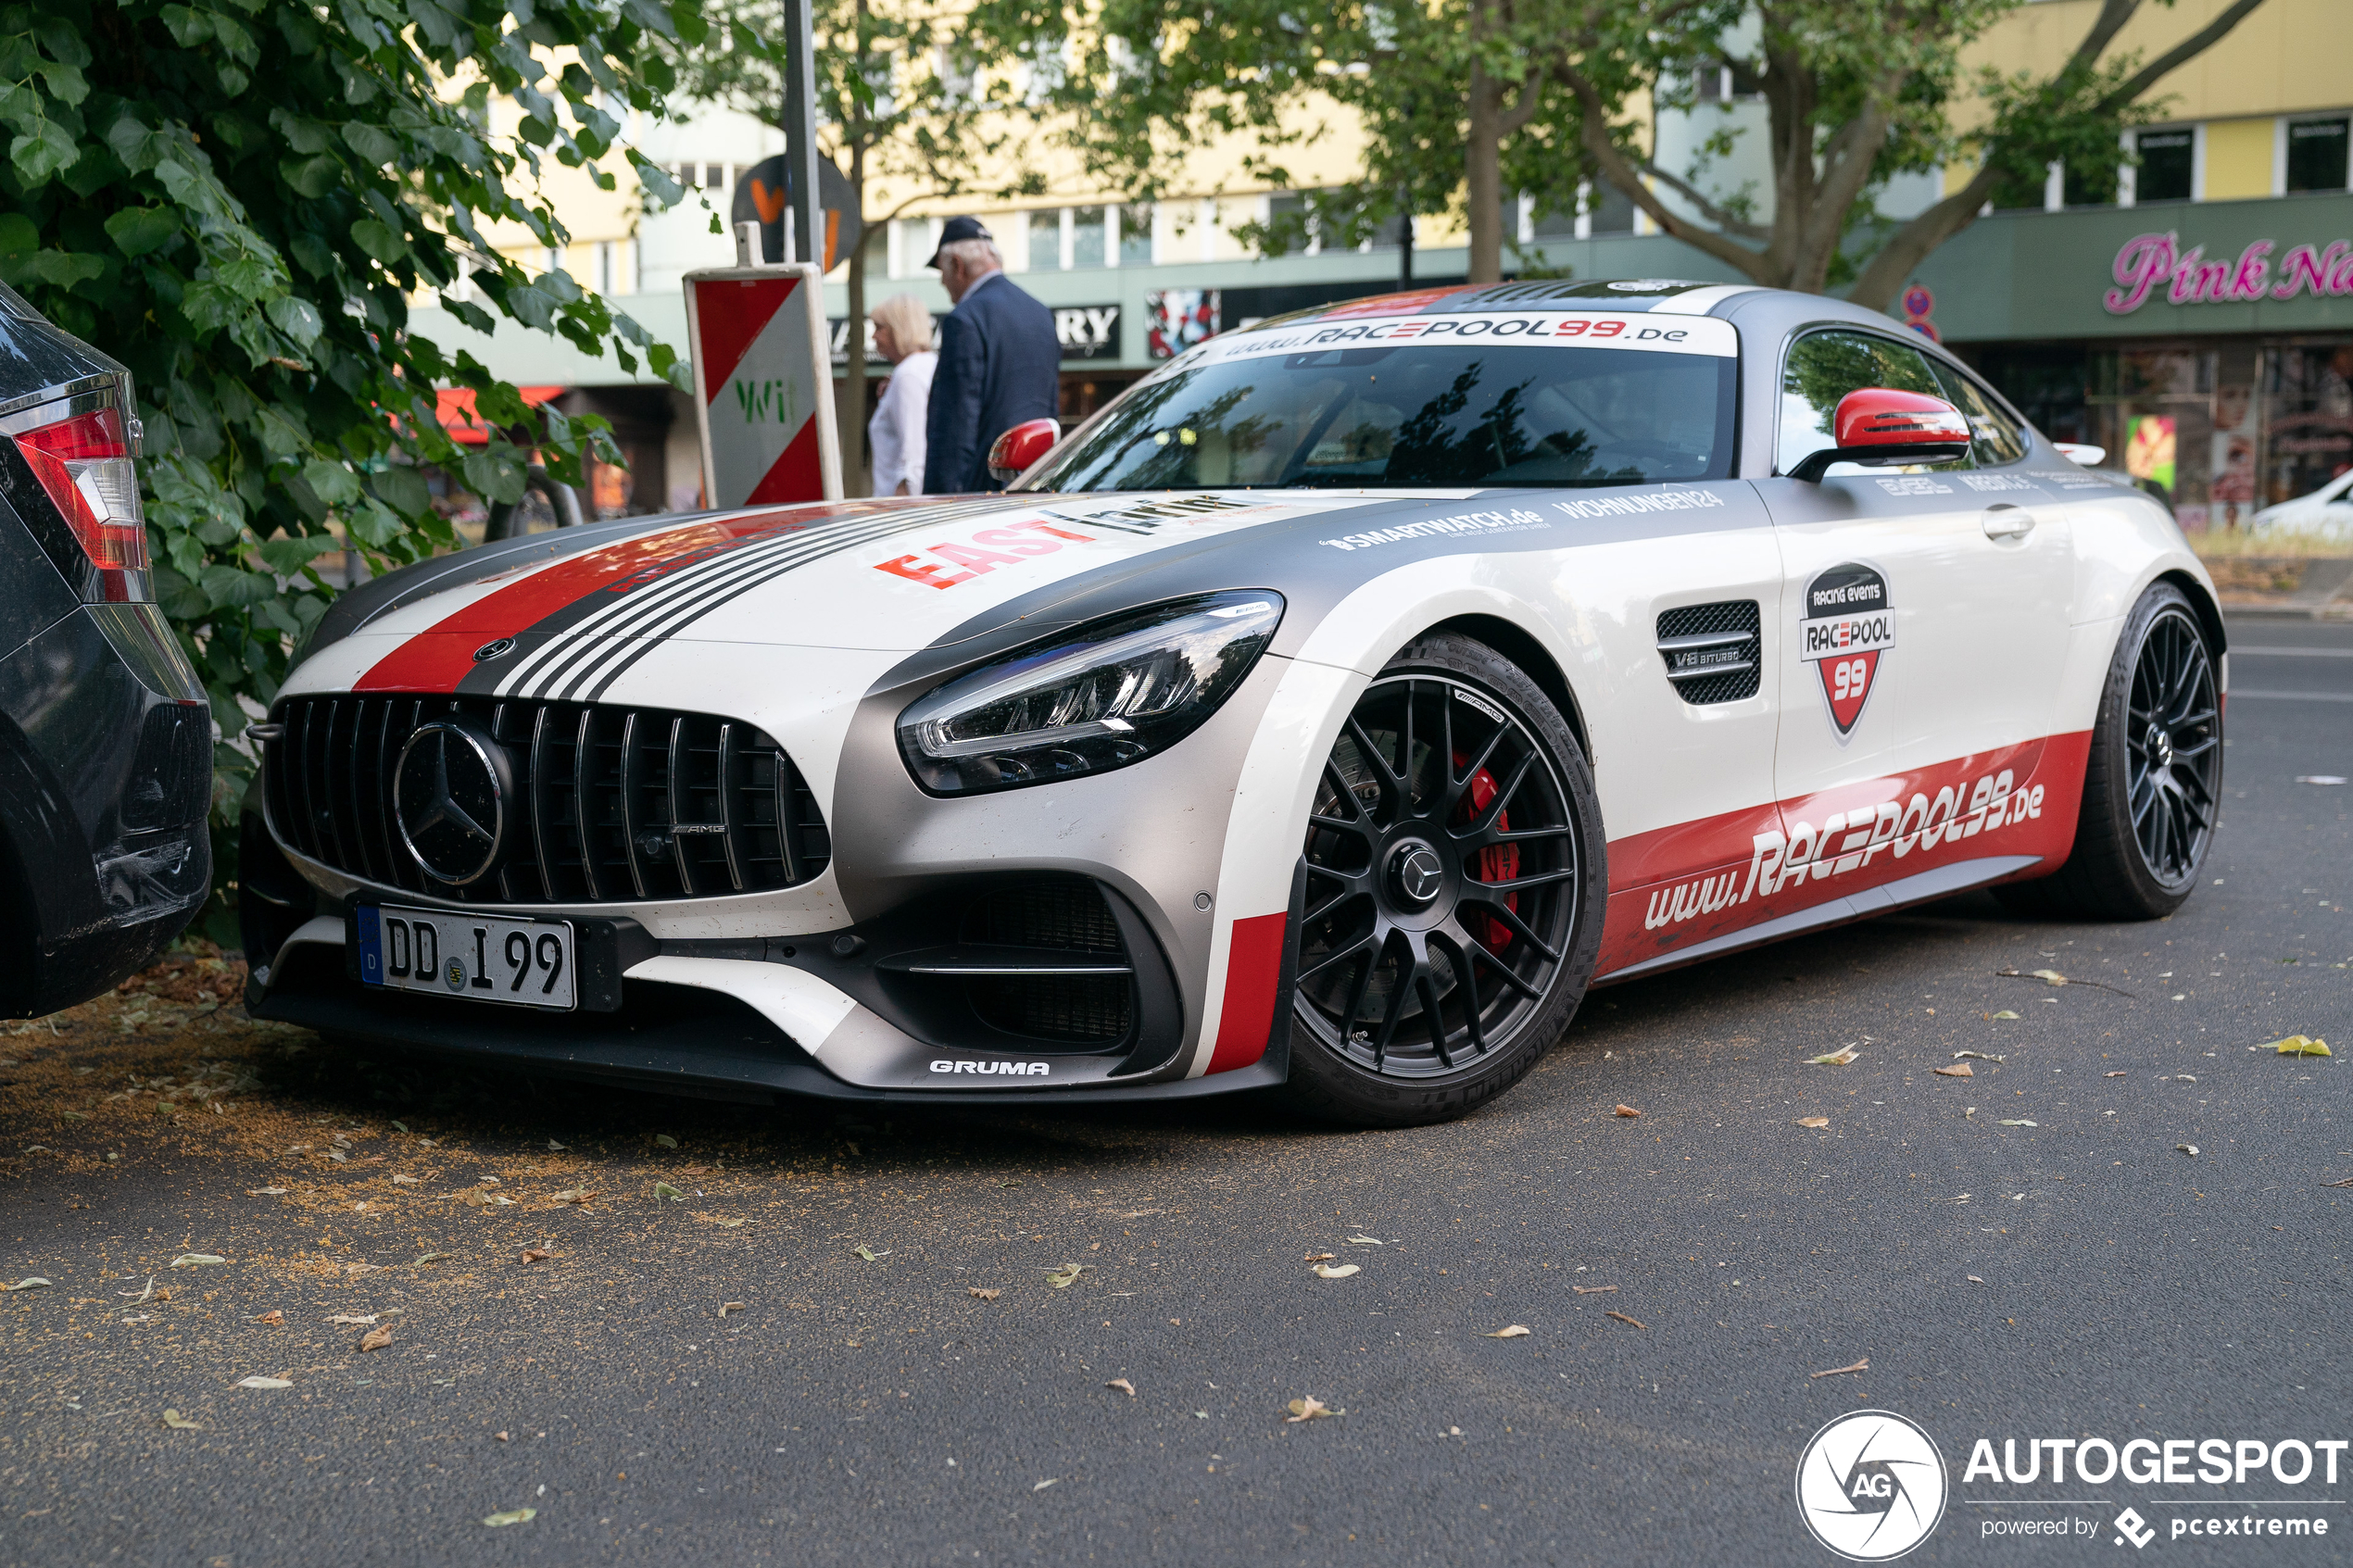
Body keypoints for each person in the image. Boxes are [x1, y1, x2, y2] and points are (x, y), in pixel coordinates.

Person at [921, 217, 1061, 495]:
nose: (942, 283)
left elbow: (955, 427)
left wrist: (939, 501)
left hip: (980, 494)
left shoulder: (965, 319)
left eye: (942, 272)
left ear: (958, 267)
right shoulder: (1040, 314)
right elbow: (1049, 412)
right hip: (1035, 484)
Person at [867, 295, 937, 496]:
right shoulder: (928, 364)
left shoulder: (908, 374)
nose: (874, 337)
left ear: (900, 328)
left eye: (879, 328)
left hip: (899, 505)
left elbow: (914, 452)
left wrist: (902, 506)